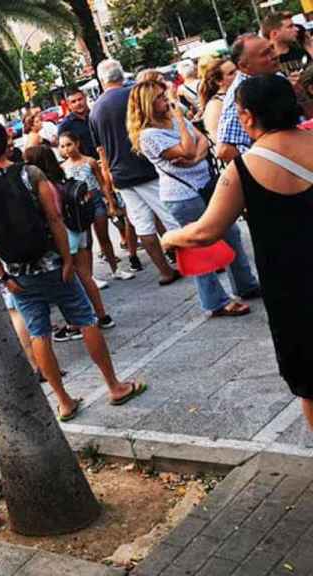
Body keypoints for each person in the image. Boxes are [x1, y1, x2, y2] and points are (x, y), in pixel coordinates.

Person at [0, 121, 146, 422]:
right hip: (52, 264)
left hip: (18, 275)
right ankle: (114, 386)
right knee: (85, 319)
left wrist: (3, 276)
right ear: (7, 142)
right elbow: (54, 219)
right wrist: (66, 260)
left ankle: (63, 401)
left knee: (39, 333)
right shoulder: (30, 173)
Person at [162, 74, 311, 430]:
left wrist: (170, 239)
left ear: (246, 117)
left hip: (292, 289)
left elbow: (206, 231)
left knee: (309, 380)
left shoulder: (242, 170)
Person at [128, 79, 261, 317]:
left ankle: (245, 283)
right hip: (183, 195)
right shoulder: (149, 134)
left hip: (207, 184)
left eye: (163, 95)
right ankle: (215, 301)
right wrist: (180, 121)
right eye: (158, 97)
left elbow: (201, 141)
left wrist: (194, 158)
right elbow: (188, 148)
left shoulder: (171, 121)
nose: (165, 101)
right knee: (199, 249)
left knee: (231, 233)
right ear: (147, 104)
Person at [90, 59, 182, 285]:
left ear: (102, 80)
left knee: (142, 225)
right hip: (145, 166)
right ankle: (191, 261)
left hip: (120, 174)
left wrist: (108, 177)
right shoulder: (134, 95)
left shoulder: (96, 110)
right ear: (122, 75)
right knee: (170, 217)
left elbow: (100, 149)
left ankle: (165, 271)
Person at [25, 145, 118, 339]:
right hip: (79, 229)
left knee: (70, 280)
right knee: (85, 275)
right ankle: (102, 315)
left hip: (66, 235)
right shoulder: (62, 177)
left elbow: (53, 217)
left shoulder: (44, 185)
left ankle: (76, 324)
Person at [58, 132, 135, 283]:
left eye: (69, 144)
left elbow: (102, 184)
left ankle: (115, 269)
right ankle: (90, 277)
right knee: (86, 242)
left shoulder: (90, 161)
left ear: (77, 143)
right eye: (62, 146)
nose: (66, 149)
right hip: (78, 207)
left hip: (96, 201)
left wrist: (111, 203)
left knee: (104, 237)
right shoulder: (62, 168)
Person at [217, 34, 283, 162]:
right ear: (244, 66)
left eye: (272, 48)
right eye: (265, 54)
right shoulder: (240, 98)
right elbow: (224, 150)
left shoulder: (273, 76)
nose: (275, 55)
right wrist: (263, 171)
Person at [199, 57, 238, 143]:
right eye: (231, 73)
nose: (238, 74)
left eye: (237, 70)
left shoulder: (238, 94)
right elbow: (218, 141)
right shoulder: (215, 105)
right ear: (219, 81)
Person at [58, 88, 99, 159]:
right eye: (73, 102)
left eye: (80, 99)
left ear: (85, 99)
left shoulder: (96, 115)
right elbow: (63, 152)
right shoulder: (65, 125)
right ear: (69, 105)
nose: (78, 103)